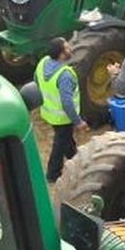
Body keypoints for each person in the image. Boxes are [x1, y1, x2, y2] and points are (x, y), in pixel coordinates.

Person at [35, 37, 87, 182]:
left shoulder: (43, 63)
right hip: (63, 117)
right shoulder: (64, 75)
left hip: (48, 112)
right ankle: (53, 173)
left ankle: (74, 159)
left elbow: (36, 81)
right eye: (67, 47)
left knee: (65, 139)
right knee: (60, 144)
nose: (70, 48)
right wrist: (78, 122)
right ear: (61, 54)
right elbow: (67, 103)